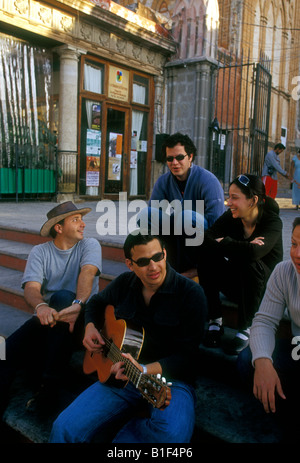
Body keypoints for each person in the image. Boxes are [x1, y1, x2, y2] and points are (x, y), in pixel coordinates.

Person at [49, 232, 207, 443]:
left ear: (165, 254)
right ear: (130, 264)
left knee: (171, 436)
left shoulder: (191, 294)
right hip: (120, 376)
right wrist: (89, 327)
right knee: (64, 428)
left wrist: (143, 370)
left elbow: (188, 358)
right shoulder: (125, 283)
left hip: (171, 381)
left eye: (157, 257)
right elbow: (95, 303)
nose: (153, 267)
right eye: (142, 262)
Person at [0, 201, 102, 418]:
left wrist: (78, 304)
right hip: (50, 320)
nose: (83, 224)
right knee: (7, 350)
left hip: (83, 322)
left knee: (64, 296)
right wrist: (41, 306)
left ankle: (49, 388)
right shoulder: (40, 252)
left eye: (81, 219)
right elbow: (31, 288)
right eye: (76, 220)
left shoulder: (90, 245)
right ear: (59, 227)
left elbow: (88, 273)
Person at [197, 174, 283, 355]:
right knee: (206, 255)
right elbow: (205, 239)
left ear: (253, 200)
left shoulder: (272, 222)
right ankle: (215, 321)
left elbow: (254, 254)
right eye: (229, 197)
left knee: (249, 261)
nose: (229, 203)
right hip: (239, 285)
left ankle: (246, 328)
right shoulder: (232, 216)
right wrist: (239, 246)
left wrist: (225, 243)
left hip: (264, 291)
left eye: (235, 198)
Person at [237, 217, 300, 441]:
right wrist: (263, 361)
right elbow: (264, 321)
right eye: (294, 244)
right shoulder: (284, 271)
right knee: (247, 360)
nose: (297, 254)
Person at [138, 132, 225, 273]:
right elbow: (153, 211)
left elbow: (217, 220)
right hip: (180, 225)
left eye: (179, 157)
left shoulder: (208, 180)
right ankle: (158, 259)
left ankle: (192, 267)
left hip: (203, 232)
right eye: (169, 159)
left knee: (185, 217)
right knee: (145, 215)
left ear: (190, 157)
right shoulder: (164, 181)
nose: (174, 163)